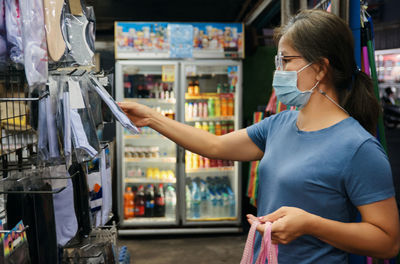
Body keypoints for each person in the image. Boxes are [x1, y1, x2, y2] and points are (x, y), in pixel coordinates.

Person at [119, 9, 400, 263]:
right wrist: (152, 118)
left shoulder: (358, 148)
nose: (277, 70)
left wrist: (310, 224)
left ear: (320, 68)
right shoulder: (279, 124)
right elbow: (215, 145)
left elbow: (387, 242)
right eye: (278, 60)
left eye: (286, 60)